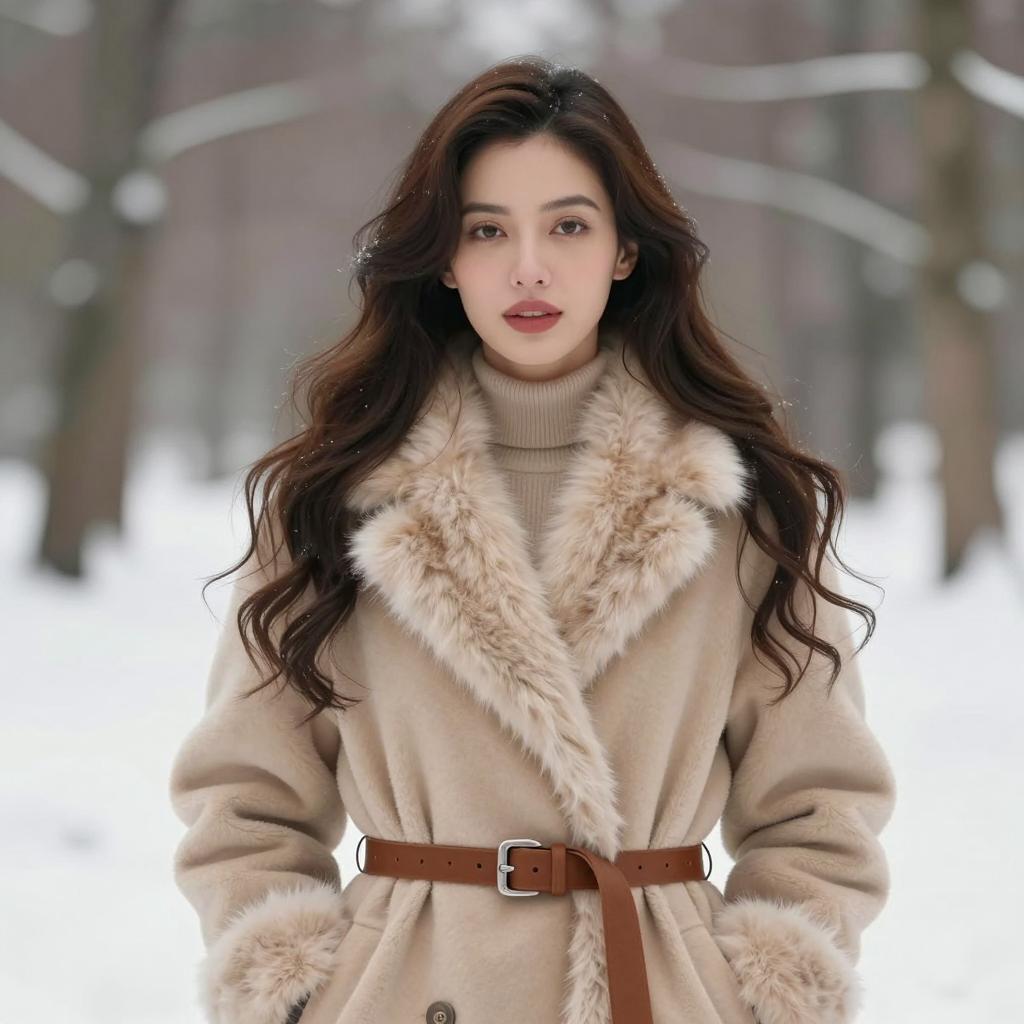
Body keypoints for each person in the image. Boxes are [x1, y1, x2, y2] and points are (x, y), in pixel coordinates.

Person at [169, 55, 896, 1024]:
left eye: (567, 225)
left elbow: (818, 808)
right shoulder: (330, 500)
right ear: (442, 257)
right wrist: (298, 980)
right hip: (401, 994)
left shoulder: (743, 504)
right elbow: (244, 796)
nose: (528, 267)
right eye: (485, 230)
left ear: (625, 250)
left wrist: (763, 985)